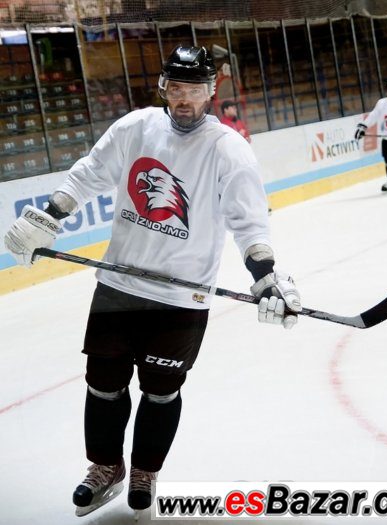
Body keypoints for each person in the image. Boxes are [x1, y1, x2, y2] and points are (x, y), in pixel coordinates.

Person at [4, 46, 301, 517]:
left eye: (195, 90)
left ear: (211, 91)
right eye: (177, 89)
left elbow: (249, 224)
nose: (185, 100)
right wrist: (51, 214)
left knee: (161, 390)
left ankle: (144, 470)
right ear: (164, 87)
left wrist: (265, 278)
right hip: (119, 287)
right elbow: (88, 175)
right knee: (102, 383)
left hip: (183, 297)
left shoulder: (228, 150)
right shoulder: (136, 128)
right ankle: (105, 468)